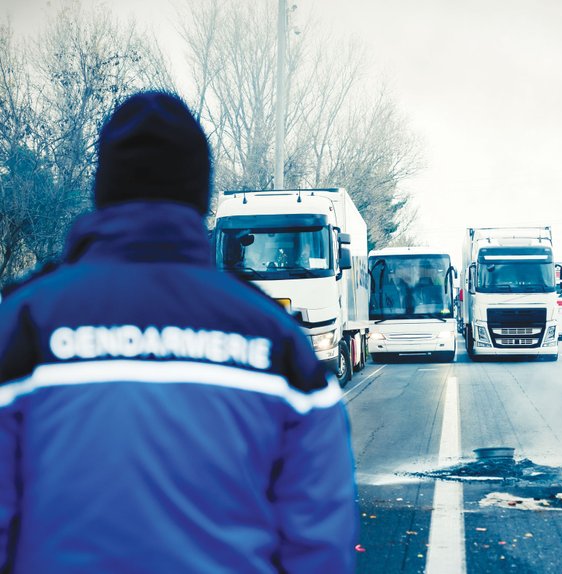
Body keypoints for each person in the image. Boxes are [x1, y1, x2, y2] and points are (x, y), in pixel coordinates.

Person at [0, 91, 358, 573]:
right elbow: (319, 542)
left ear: (103, 188)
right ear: (199, 193)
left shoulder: (23, 325)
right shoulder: (277, 342)